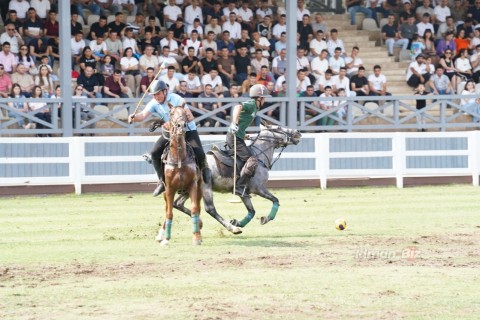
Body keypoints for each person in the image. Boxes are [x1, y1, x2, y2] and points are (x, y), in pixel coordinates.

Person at [128, 80, 208, 197]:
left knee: (200, 153)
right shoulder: (153, 103)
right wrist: (134, 117)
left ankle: (206, 175)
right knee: (154, 153)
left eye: (158, 94)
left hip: (188, 130)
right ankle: (162, 182)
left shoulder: (176, 99)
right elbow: (143, 116)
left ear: (165, 92)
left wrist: (178, 118)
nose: (156, 97)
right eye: (154, 95)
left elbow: (190, 117)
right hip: (172, 132)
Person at [227, 84, 270, 197]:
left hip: (239, 136)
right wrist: (235, 123)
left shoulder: (255, 107)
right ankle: (239, 187)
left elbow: (243, 121)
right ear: (259, 97)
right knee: (252, 160)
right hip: (234, 137)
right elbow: (237, 107)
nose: (265, 99)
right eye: (264, 97)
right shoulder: (251, 104)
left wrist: (244, 134)